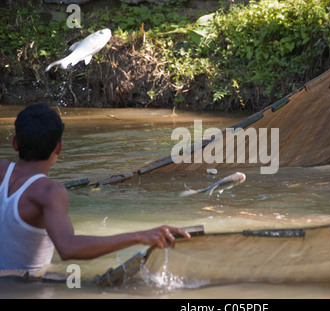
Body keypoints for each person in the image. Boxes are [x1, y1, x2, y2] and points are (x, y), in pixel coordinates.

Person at [0, 103, 190, 274]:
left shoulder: (2, 171)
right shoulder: (49, 191)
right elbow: (68, 248)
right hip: (27, 289)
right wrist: (141, 236)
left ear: (15, 143)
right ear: (59, 147)